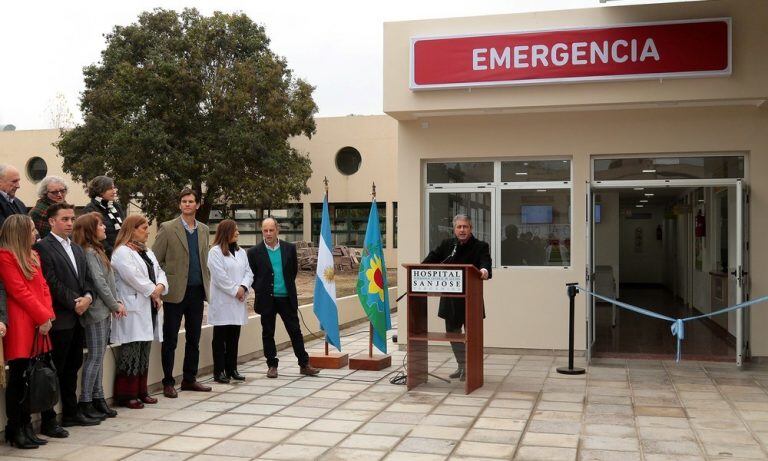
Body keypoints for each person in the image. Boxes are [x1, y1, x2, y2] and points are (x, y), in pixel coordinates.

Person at [33, 202, 99, 433]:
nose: (70, 223)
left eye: (72, 218)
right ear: (52, 221)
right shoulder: (43, 247)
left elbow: (87, 280)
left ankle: (70, 414)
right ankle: (49, 420)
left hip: (78, 317)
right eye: (65, 219)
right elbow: (51, 282)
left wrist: (88, 298)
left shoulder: (77, 249)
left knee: (73, 366)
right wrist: (75, 302)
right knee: (55, 370)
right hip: (60, 319)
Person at [0, 215, 55, 448]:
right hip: (21, 322)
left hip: (38, 321)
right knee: (19, 378)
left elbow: (43, 286)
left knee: (29, 378)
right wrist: (43, 316)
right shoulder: (5, 256)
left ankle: (26, 426)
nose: (35, 233)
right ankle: (16, 427)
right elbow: (18, 291)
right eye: (32, 230)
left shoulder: (34, 255)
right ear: (20, 232)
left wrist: (48, 315)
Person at [152, 188, 211, 397]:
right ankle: (168, 382)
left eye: (191, 201)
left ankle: (189, 379)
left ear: (197, 205)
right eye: (184, 201)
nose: (187, 204)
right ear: (179, 205)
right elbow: (155, 260)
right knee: (171, 339)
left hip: (197, 292)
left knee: (194, 338)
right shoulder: (168, 228)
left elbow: (204, 261)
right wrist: (159, 287)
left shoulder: (204, 230)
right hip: (174, 293)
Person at [247, 217, 319, 379]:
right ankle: (272, 365)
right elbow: (252, 276)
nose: (268, 233)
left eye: (271, 230)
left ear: (277, 230)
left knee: (295, 331)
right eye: (265, 230)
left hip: (286, 298)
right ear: (262, 231)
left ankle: (304, 364)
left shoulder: (289, 249)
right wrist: (260, 289)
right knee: (268, 332)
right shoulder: (253, 252)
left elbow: (293, 271)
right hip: (266, 299)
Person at [422, 214, 492, 381]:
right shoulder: (447, 244)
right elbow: (431, 258)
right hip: (450, 299)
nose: (462, 230)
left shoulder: (480, 246)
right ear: (454, 229)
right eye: (459, 227)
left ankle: (471, 368)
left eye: (465, 227)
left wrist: (484, 270)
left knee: (472, 336)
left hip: (471, 298)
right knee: (452, 335)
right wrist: (419, 270)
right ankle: (462, 365)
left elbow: (485, 262)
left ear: (471, 228)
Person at [73, 212, 126, 419]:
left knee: (99, 356)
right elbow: (99, 284)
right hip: (96, 311)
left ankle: (98, 397)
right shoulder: (89, 253)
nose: (105, 228)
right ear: (90, 231)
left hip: (104, 310)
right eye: (100, 225)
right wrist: (115, 305)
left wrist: (115, 302)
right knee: (94, 357)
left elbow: (108, 282)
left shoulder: (98, 251)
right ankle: (86, 400)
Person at [111, 215, 167, 408]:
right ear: (132, 229)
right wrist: (153, 291)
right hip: (134, 307)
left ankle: (142, 391)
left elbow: (160, 271)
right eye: (144, 228)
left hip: (149, 305)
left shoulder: (147, 251)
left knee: (144, 350)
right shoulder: (122, 253)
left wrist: (160, 286)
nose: (147, 231)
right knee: (131, 350)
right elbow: (132, 277)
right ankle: (127, 394)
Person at [207, 219, 253, 383]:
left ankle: (232, 368)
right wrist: (236, 290)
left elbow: (249, 273)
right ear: (226, 232)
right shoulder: (215, 252)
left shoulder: (241, 252)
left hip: (237, 302)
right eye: (235, 230)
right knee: (220, 339)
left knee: (234, 337)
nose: (238, 233)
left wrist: (243, 287)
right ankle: (219, 371)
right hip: (222, 302)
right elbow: (220, 277)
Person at [82, 176, 125, 258]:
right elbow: (94, 236)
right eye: (110, 189)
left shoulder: (116, 206)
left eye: (114, 188)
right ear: (100, 191)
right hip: (105, 255)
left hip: (122, 252)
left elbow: (124, 229)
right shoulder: (90, 209)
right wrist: (111, 252)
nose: (114, 191)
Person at [0, 165, 27, 229]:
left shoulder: (20, 203)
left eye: (18, 181)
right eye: (14, 181)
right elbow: (6, 231)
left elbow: (30, 226)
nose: (18, 186)